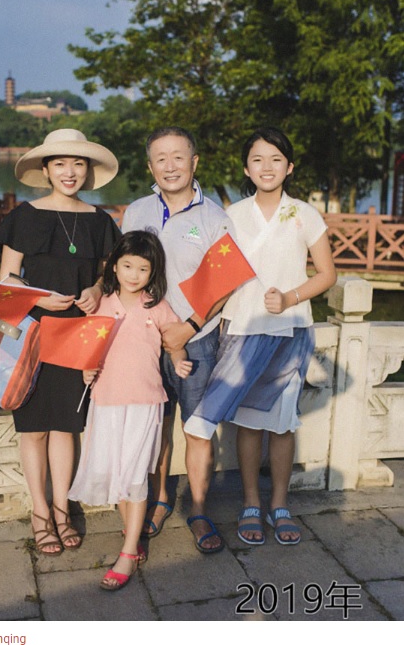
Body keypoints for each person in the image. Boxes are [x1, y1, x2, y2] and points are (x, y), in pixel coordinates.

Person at [184, 126, 336, 545]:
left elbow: (327, 274)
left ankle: (280, 504)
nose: (266, 167)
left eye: (275, 159)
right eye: (257, 159)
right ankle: (251, 502)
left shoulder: (306, 214)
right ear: (246, 169)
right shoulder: (230, 215)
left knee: (282, 424)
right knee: (249, 424)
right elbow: (214, 275)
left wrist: (290, 296)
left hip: (290, 330)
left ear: (289, 167)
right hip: (243, 328)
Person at [0, 128, 121, 556]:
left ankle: (63, 509)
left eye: (78, 163)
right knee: (33, 430)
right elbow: (5, 279)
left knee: (67, 425)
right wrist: (38, 296)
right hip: (30, 332)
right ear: (45, 169)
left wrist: (99, 289)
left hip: (78, 332)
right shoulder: (24, 216)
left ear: (88, 170)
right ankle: (40, 513)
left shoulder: (101, 220)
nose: (70, 172)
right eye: (61, 163)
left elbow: (107, 273)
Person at [121, 127, 231, 553]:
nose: (170, 166)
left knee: (198, 428)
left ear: (194, 162)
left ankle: (199, 509)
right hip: (145, 342)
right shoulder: (136, 211)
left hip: (196, 339)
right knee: (156, 426)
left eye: (178, 157)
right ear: (150, 166)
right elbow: (124, 272)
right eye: (160, 158)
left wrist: (188, 326)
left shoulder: (215, 217)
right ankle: (161, 498)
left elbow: (227, 282)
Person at [69, 231, 192, 590]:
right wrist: (85, 369)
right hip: (106, 400)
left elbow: (174, 340)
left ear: (153, 272)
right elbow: (88, 347)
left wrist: (180, 360)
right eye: (127, 266)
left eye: (143, 268)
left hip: (144, 402)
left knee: (136, 473)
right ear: (114, 266)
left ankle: (127, 552)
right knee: (117, 473)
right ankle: (133, 535)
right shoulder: (103, 303)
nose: (134, 274)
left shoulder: (157, 306)